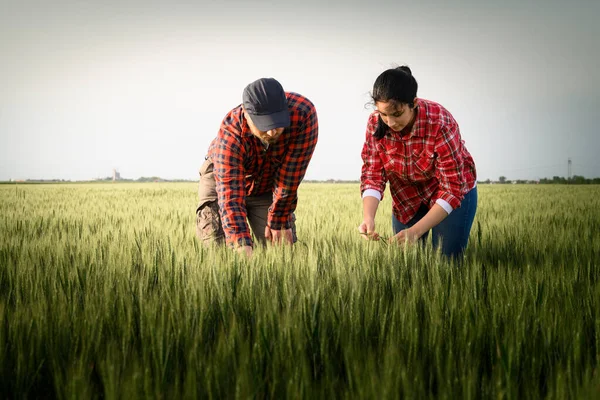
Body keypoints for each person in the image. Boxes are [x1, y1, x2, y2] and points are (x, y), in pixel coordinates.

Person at [358, 66, 477, 259]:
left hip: (450, 194)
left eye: (396, 114)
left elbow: (452, 189)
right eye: (383, 114)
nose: (389, 122)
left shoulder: (440, 122)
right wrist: (368, 217)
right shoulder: (374, 123)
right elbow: (373, 174)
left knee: (446, 261)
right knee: (407, 261)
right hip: (407, 197)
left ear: (413, 103)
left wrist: (415, 231)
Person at [196, 77, 318, 257]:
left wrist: (279, 218)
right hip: (221, 183)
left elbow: (290, 177)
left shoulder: (303, 113)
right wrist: (241, 243)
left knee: (280, 251)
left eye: (277, 123)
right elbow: (230, 196)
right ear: (246, 113)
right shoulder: (230, 135)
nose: (271, 132)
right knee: (217, 250)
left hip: (267, 183)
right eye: (264, 124)